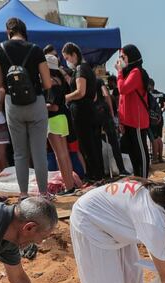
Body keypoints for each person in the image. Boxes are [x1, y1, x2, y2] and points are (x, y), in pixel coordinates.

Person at [0, 17, 52, 198]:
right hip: (36, 102)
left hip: (13, 104)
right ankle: (43, 193)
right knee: (39, 151)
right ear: (24, 31)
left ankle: (24, 194)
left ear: (8, 31)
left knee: (19, 153)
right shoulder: (35, 49)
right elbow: (48, 83)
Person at [62, 42, 104, 184]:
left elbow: (80, 92)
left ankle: (93, 175)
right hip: (89, 109)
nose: (67, 61)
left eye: (67, 58)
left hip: (82, 111)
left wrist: (66, 97)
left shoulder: (80, 69)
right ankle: (97, 174)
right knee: (92, 143)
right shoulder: (87, 69)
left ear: (74, 55)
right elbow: (93, 95)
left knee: (86, 145)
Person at [116, 44, 152, 179]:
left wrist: (119, 72)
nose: (121, 60)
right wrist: (121, 121)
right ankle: (138, 179)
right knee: (132, 152)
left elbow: (123, 89)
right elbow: (122, 99)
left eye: (123, 57)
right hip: (128, 121)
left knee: (140, 152)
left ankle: (143, 180)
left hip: (137, 120)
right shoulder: (128, 73)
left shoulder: (136, 72)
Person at [44, 53, 77, 195]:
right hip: (63, 119)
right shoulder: (61, 80)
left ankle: (68, 187)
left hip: (53, 120)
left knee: (60, 155)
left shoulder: (50, 81)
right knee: (65, 154)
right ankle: (70, 184)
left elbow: (54, 106)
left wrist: (40, 106)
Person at [95, 76, 128, 177]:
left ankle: (100, 171)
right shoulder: (99, 80)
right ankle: (121, 169)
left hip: (93, 111)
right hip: (103, 111)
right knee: (114, 141)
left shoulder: (84, 80)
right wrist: (112, 112)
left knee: (97, 143)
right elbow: (106, 95)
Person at [147, 78, 165, 163]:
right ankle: (160, 157)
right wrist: (163, 110)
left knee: (154, 139)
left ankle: (154, 158)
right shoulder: (160, 94)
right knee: (159, 138)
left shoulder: (148, 94)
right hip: (160, 118)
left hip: (152, 119)